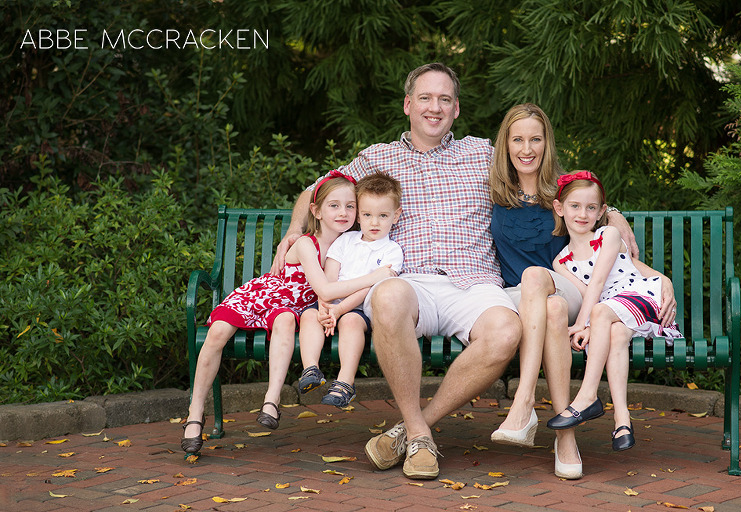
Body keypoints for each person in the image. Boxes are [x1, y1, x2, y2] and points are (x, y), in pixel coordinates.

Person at [271, 62, 522, 480]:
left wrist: (613, 214)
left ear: (456, 109)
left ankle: (412, 430)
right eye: (425, 98)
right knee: (386, 294)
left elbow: (549, 184)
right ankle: (421, 433)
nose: (434, 107)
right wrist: (296, 229)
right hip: (410, 282)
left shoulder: (485, 154)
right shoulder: (377, 158)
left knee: (506, 331)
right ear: (408, 104)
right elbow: (315, 191)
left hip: (473, 282)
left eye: (444, 99)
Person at [181, 173, 396, 453]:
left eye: (350, 206)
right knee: (218, 331)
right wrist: (377, 276)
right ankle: (195, 412)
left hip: (294, 309)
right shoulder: (307, 243)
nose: (343, 212)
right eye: (333, 206)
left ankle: (271, 402)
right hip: (265, 296)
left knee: (285, 320)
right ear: (316, 211)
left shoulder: (353, 244)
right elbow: (326, 290)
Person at [487, 103, 644, 478]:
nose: (527, 149)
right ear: (506, 144)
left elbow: (596, 210)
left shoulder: (562, 188)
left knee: (539, 282)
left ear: (547, 143)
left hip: (569, 286)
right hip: (518, 298)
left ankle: (524, 401)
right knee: (547, 305)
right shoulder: (492, 189)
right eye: (518, 139)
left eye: (536, 139)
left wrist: (616, 215)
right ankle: (565, 434)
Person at [546, 170, 680, 451]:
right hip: (617, 314)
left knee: (602, 314)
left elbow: (598, 284)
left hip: (644, 299)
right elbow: (587, 296)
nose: (583, 214)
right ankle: (622, 420)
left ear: (601, 212)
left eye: (591, 207)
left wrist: (584, 325)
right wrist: (591, 323)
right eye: (575, 206)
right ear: (559, 208)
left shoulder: (609, 234)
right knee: (616, 334)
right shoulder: (561, 261)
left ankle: (587, 397)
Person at [298, 172, 404, 408]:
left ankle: (345, 383)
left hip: (359, 309)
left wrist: (340, 310)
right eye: (367, 215)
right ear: (359, 216)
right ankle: (310, 369)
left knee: (351, 323)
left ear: (396, 216)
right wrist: (326, 308)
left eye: (383, 216)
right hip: (331, 301)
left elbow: (369, 288)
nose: (374, 223)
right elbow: (329, 278)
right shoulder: (346, 240)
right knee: (309, 315)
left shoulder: (392, 251)